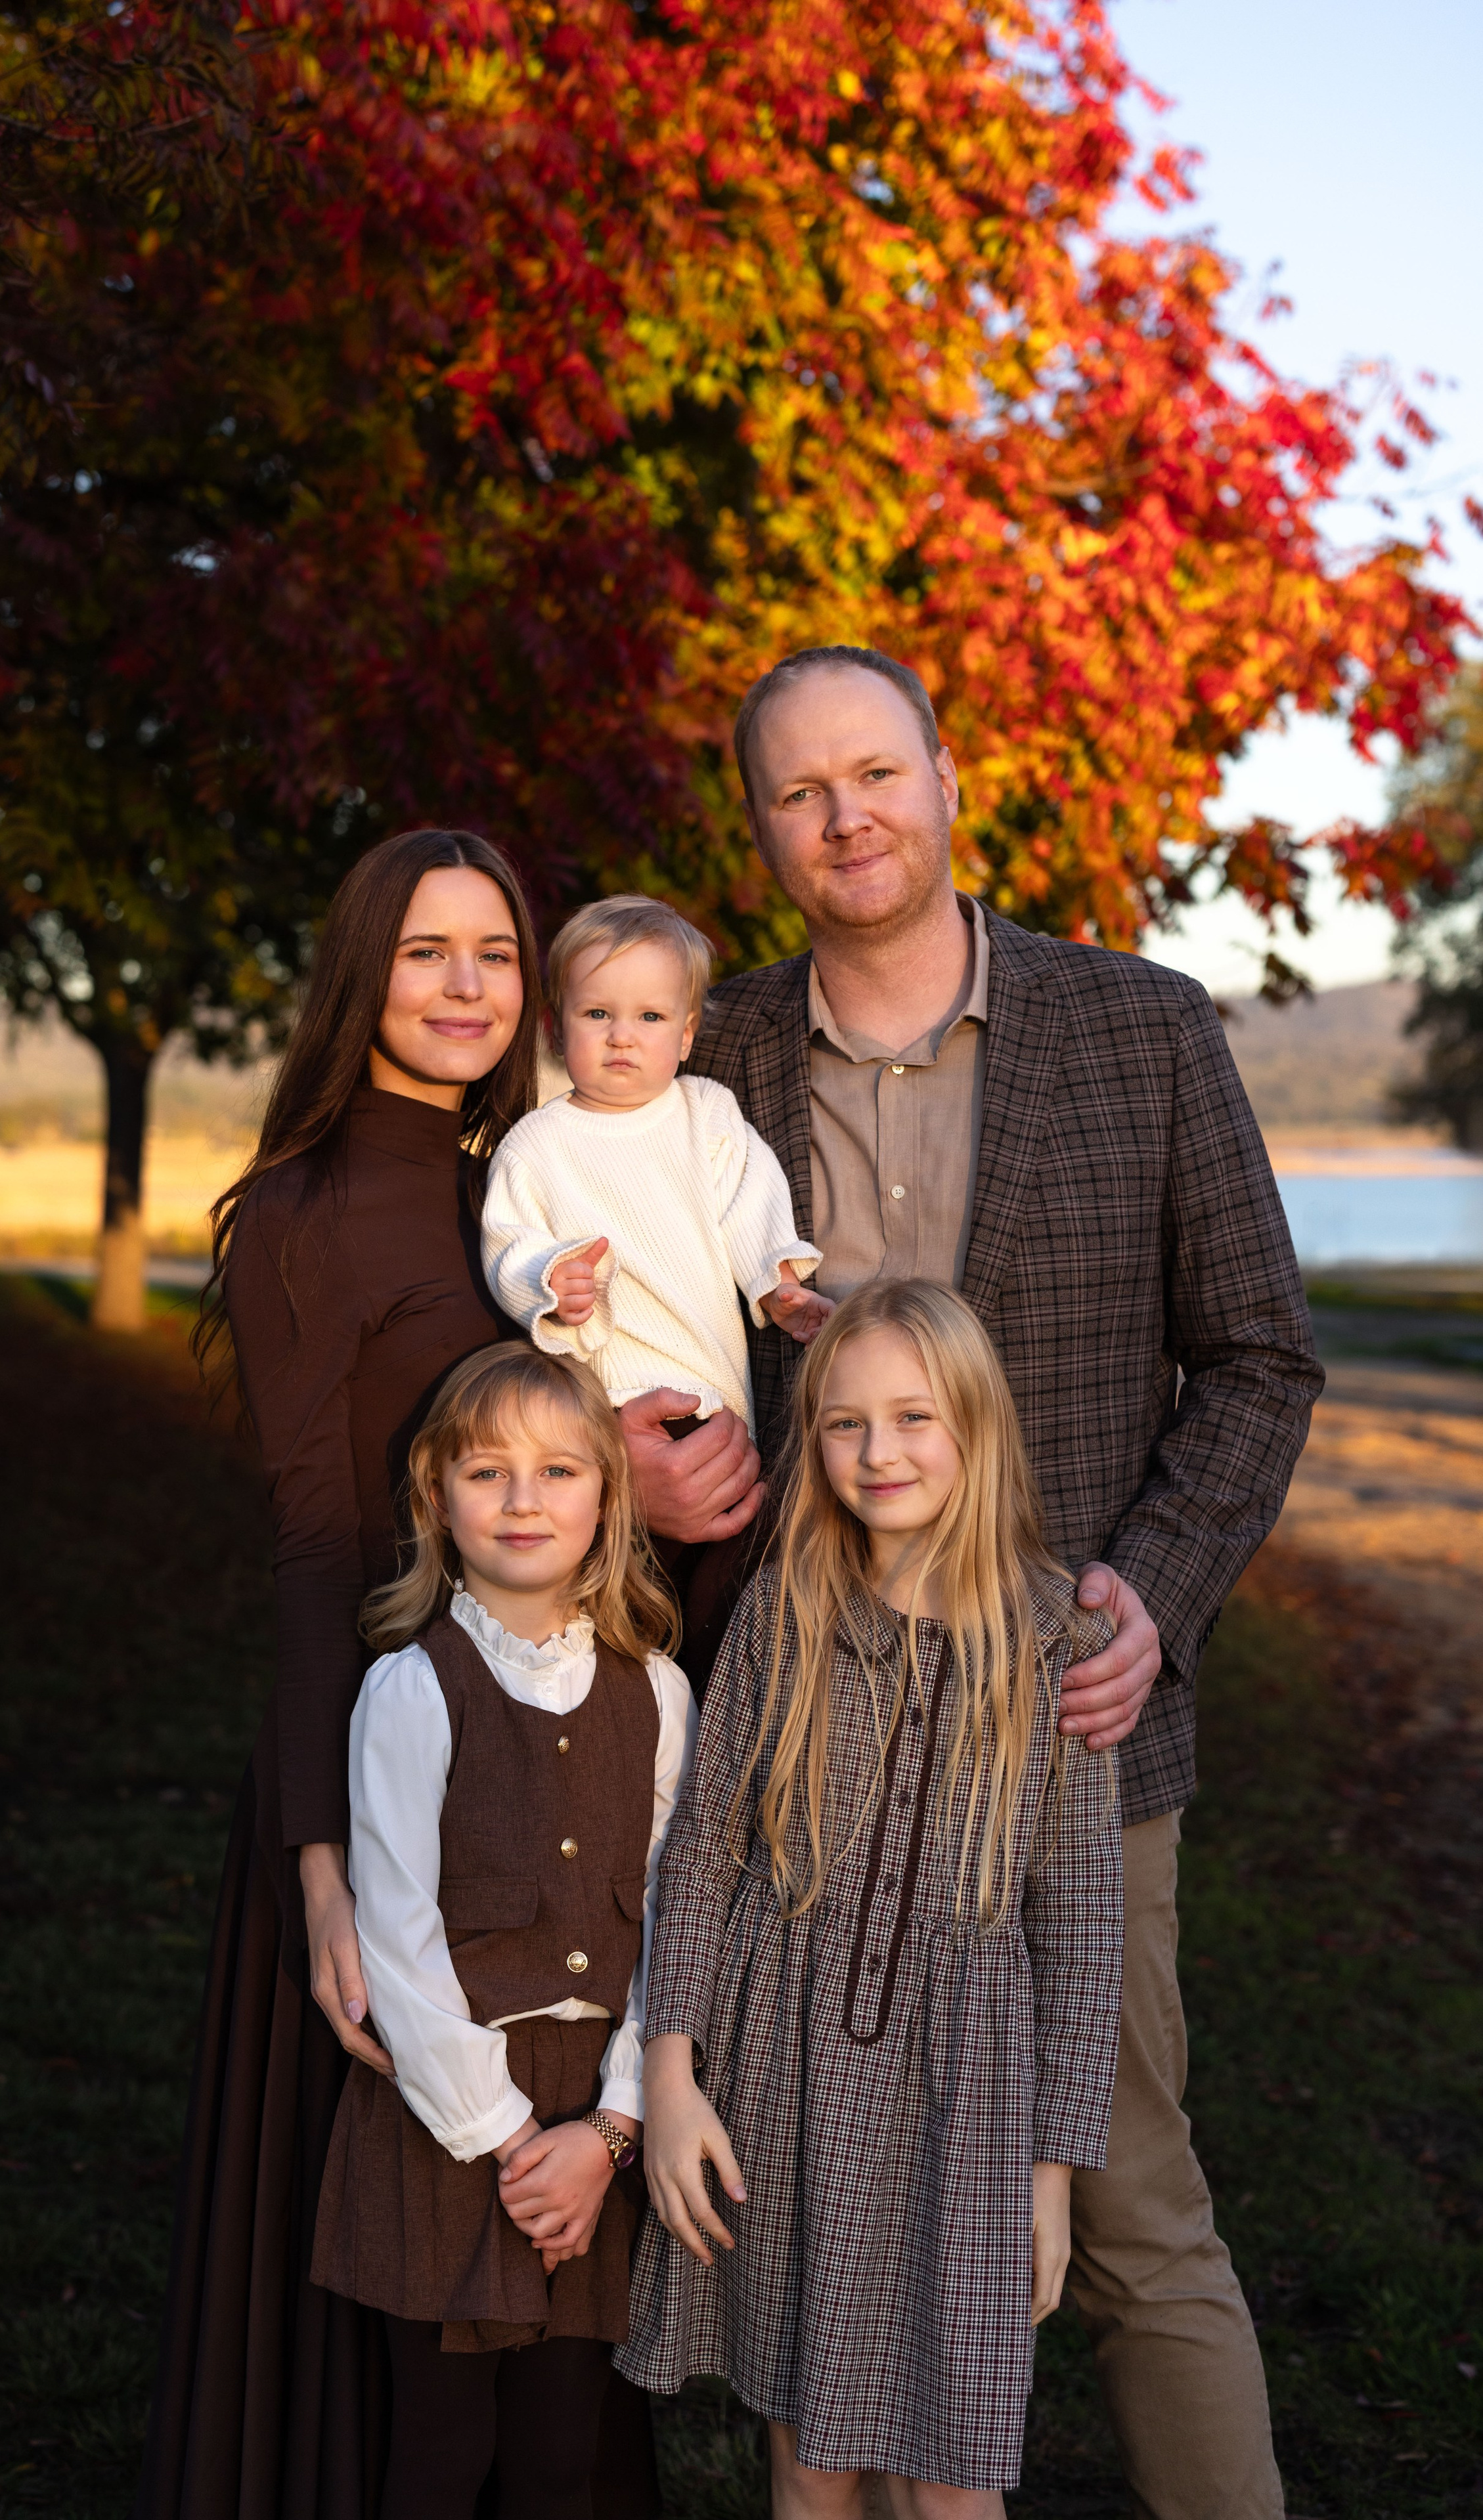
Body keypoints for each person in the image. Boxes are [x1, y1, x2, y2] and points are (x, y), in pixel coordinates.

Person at [634, 644, 1322, 2520]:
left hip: (1065, 1730)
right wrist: (641, 1438)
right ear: (762, 824)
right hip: (805, 1747)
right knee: (805, 2177)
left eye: (876, 771)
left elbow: (1261, 1352)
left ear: (947, 775)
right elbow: (620, 1318)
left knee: (1119, 2195)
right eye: (800, 790)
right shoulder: (711, 1058)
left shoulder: (1145, 1027)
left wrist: (1155, 1595)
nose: (845, 814)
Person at [134, 829, 660, 2520]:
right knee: (399, 2287)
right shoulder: (297, 1214)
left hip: (556, 1764)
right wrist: (319, 1869)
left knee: (558, 2341)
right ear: (363, 974)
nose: (463, 988)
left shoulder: (529, 1183)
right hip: (379, 1786)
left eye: (496, 954)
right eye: (426, 952)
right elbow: (305, 1548)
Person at [621, 1280, 1123, 2516]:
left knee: (951, 2475)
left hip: (969, 2100)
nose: (879, 1451)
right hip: (786, 2076)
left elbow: (1084, 1926)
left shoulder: (1057, 1637)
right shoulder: (784, 1614)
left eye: (913, 1417)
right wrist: (671, 2077)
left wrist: (1054, 2170)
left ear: (975, 1427)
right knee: (812, 2459)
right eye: (845, 1423)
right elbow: (702, 1854)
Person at [309, 1343, 696, 2520]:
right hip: (448, 2121)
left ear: (607, 1500)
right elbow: (400, 1941)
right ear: (436, 1498)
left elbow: (675, 1916)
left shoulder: (661, 1691)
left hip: (598, 2119)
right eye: (488, 1471)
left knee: (555, 2463)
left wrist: (613, 2128)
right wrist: (512, 2134)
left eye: (560, 1469)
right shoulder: (412, 1687)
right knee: (437, 2457)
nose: (525, 1498)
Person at [481, 894, 830, 1431]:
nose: (622, 1035)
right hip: (605, 1401)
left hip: (714, 1392)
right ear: (556, 1028)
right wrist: (549, 1280)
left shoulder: (705, 1112)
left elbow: (750, 1194)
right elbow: (507, 1242)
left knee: (734, 1502)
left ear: (686, 1034)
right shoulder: (534, 1145)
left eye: (650, 1016)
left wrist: (775, 1280)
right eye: (597, 1013)